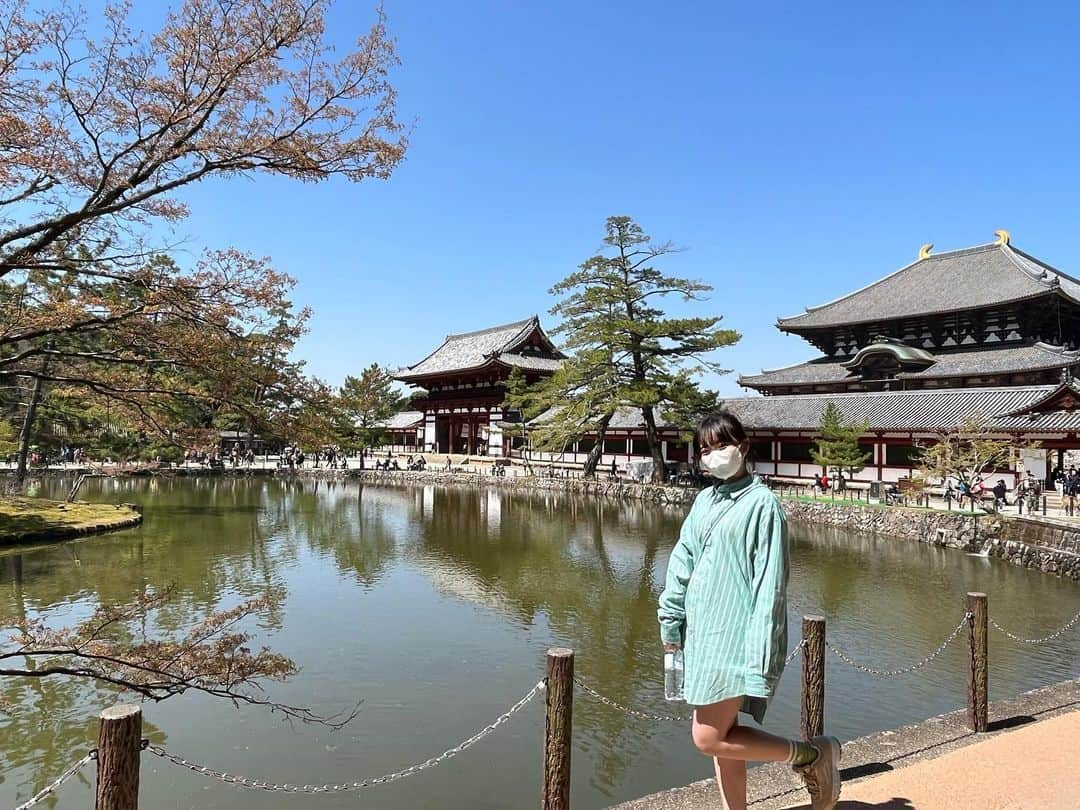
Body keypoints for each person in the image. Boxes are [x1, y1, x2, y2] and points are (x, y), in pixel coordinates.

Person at [658, 411, 841, 810]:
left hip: (734, 638)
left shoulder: (763, 505)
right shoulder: (705, 499)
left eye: (721, 446)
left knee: (707, 737)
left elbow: (769, 585)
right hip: (700, 634)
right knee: (727, 736)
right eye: (705, 449)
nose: (713, 455)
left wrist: (760, 653)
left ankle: (811, 756)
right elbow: (681, 563)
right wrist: (670, 622)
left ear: (741, 446)